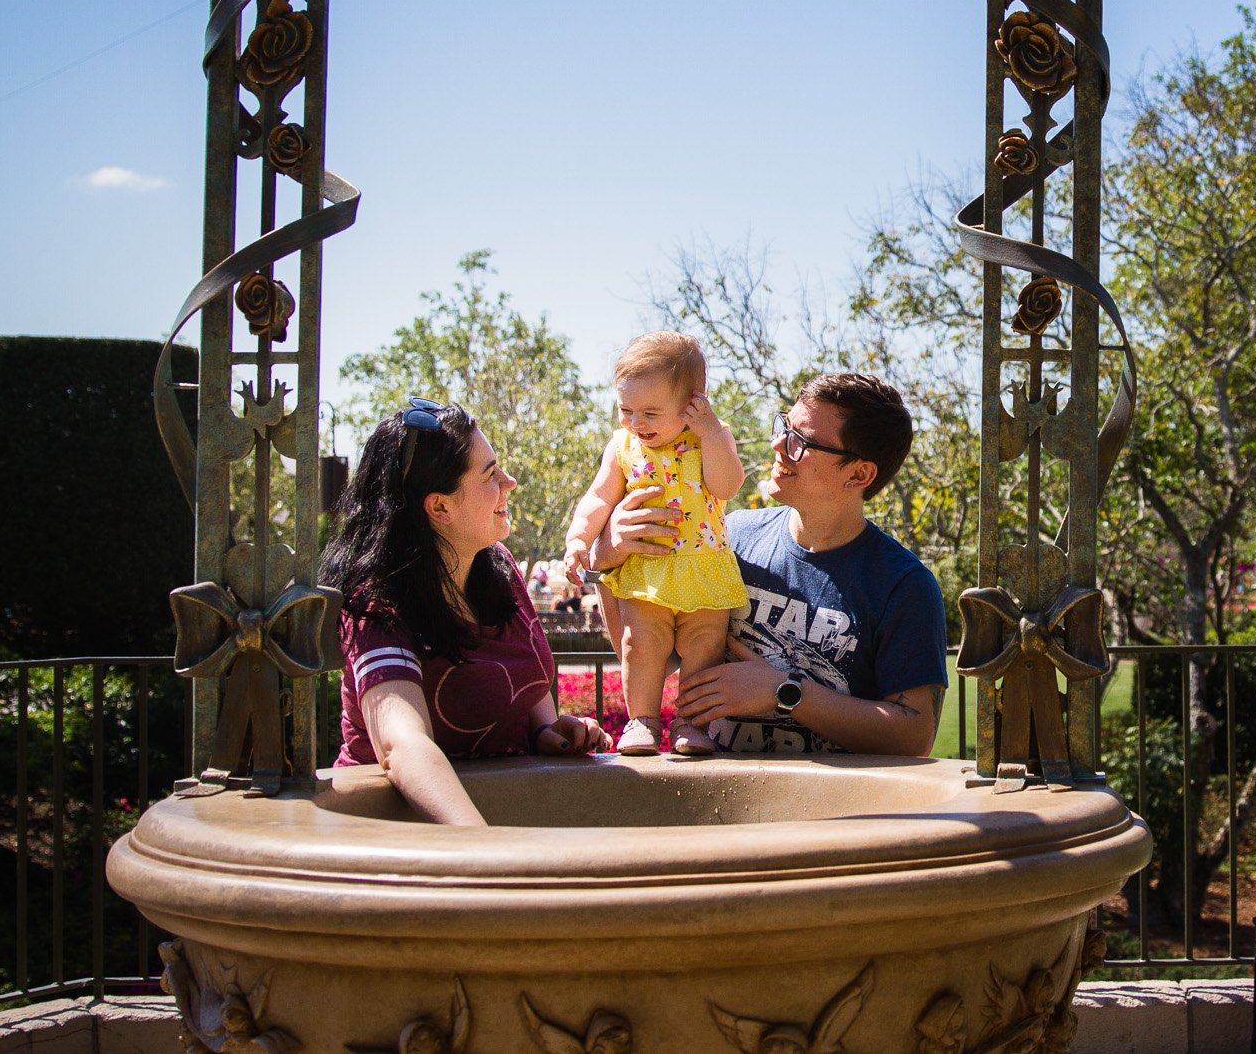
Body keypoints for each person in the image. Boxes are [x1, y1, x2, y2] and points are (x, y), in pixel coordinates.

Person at [593, 372, 947, 756]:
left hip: (838, 810)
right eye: (784, 427)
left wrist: (785, 692)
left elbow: (914, 736)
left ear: (858, 473)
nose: (778, 444)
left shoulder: (904, 585)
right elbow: (654, 659)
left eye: (802, 441)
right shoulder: (725, 538)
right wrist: (605, 563)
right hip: (720, 802)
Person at [321, 397, 611, 826]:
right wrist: (480, 848)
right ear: (439, 507)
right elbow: (403, 748)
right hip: (397, 839)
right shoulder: (375, 601)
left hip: (510, 816)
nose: (509, 482)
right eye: (490, 474)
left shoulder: (500, 566)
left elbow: (529, 698)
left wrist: (547, 733)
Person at [561, 332, 747, 756]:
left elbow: (727, 485)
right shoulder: (623, 445)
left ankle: (689, 723)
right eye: (625, 409)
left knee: (704, 647)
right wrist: (578, 539)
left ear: (693, 403)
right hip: (646, 569)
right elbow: (598, 497)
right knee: (638, 644)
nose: (636, 422)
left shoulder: (710, 437)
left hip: (703, 568)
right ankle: (641, 720)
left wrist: (712, 432)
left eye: (649, 412)